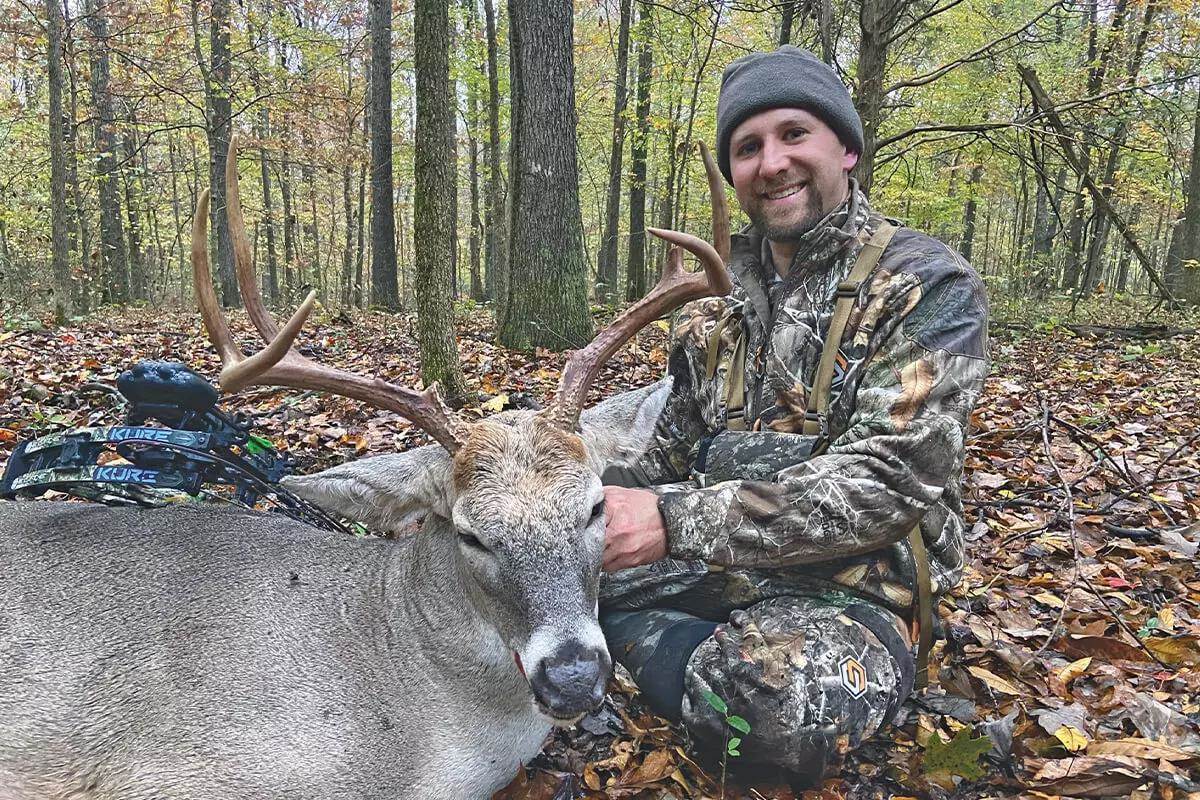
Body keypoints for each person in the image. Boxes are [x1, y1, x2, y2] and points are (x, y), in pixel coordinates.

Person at [598, 45, 989, 788]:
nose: (771, 162)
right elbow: (661, 468)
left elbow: (887, 482)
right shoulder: (711, 313)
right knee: (511, 580)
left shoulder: (925, 284)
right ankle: (674, 645)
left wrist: (673, 522)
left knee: (766, 714)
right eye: (748, 147)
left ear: (846, 147)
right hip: (712, 572)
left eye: (793, 134)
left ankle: (657, 651)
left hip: (858, 590)